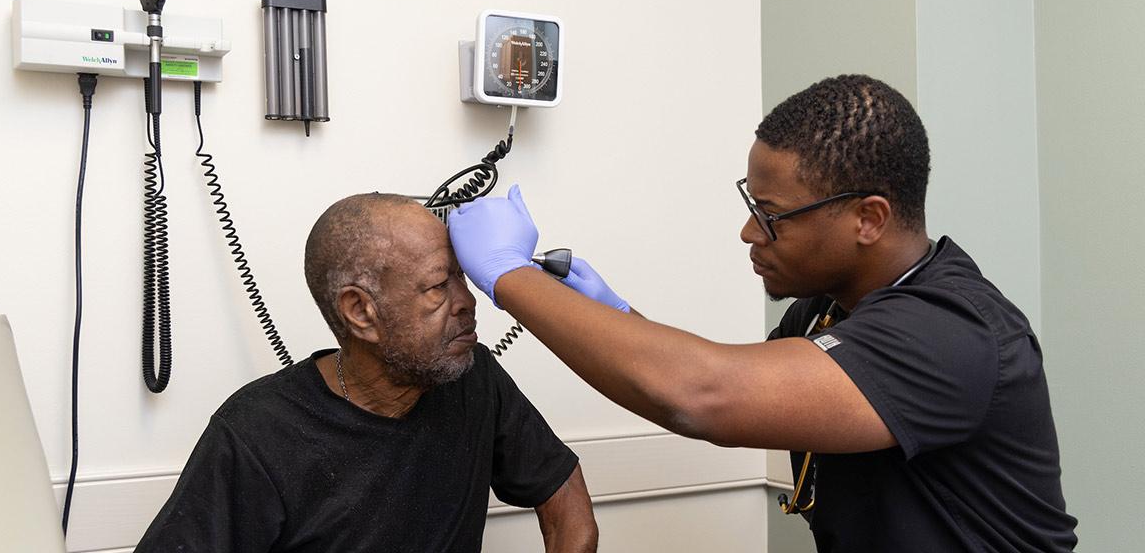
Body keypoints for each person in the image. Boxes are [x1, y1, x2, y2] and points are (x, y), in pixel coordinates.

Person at [446, 75, 1078, 552]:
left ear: (869, 218)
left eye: (772, 215)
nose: (750, 231)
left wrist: (509, 275)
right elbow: (753, 386)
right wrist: (619, 317)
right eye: (752, 203)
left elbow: (703, 396)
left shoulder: (951, 331)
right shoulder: (829, 310)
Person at [137, 193, 597, 552]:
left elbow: (565, 497)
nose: (468, 301)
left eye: (463, 277)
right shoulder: (257, 434)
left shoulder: (474, 379)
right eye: (440, 285)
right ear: (361, 312)